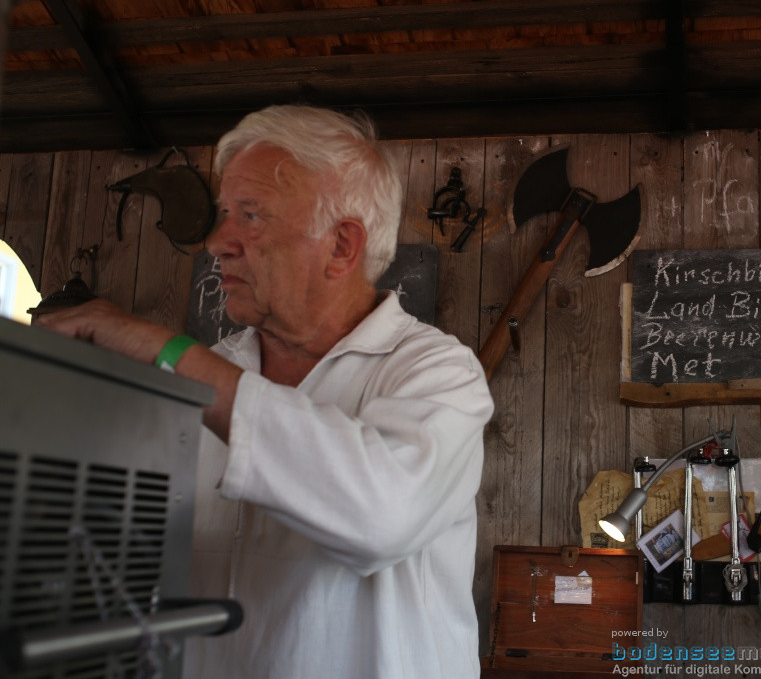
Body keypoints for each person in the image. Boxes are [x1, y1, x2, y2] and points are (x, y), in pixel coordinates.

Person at [38, 105, 495, 679]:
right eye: (224, 213)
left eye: (250, 216)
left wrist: (166, 349)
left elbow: (383, 513)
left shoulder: (437, 373)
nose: (217, 242)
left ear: (341, 246)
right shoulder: (205, 374)